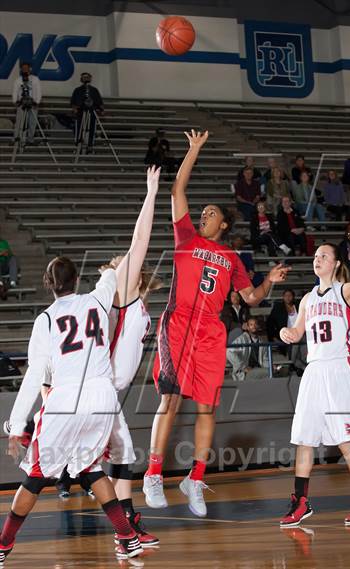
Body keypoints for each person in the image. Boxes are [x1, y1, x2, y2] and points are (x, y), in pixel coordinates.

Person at [142, 129, 289, 518]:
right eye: (202, 212)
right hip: (179, 324)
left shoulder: (233, 258)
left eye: (212, 213)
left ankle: (195, 477)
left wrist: (268, 282)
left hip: (211, 331)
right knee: (170, 400)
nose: (204, 214)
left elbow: (252, 299)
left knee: (207, 409)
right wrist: (193, 150)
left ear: (224, 225)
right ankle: (154, 473)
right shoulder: (186, 237)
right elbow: (177, 191)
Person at [0, 258, 143, 564]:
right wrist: (110, 269)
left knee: (36, 476)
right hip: (103, 397)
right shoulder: (96, 299)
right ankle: (127, 537)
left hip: (67, 398)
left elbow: (35, 375)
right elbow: (109, 280)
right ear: (77, 279)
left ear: (47, 283)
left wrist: (15, 423)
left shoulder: (46, 320)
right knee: (90, 468)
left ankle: (3, 544)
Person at [279, 234, 350, 526]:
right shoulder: (306, 299)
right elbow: (297, 333)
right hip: (314, 371)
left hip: (340, 369)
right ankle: (300, 502)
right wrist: (286, 334)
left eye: (324, 256)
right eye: (315, 256)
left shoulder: (346, 291)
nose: (318, 259)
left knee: (345, 441)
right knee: (304, 439)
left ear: (336, 263)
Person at [100, 165, 162, 547]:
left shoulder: (138, 300)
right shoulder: (120, 294)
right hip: (98, 389)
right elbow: (140, 239)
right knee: (55, 470)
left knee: (120, 459)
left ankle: (127, 528)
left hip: (107, 391)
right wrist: (151, 193)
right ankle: (127, 530)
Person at [267, 289, 306, 375]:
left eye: (290, 296)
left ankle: (301, 368)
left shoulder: (298, 306)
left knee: (302, 355)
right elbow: (270, 323)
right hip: (287, 337)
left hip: (301, 335)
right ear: (283, 297)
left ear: (293, 297)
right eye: (286, 296)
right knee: (294, 357)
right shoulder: (278, 308)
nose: (288, 298)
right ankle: (302, 369)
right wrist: (273, 337)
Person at [226, 317, 269, 381]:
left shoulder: (262, 341)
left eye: (255, 324)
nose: (253, 326)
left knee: (272, 372)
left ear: (258, 326)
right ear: (248, 328)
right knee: (268, 373)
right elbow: (229, 351)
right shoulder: (242, 339)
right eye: (251, 325)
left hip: (258, 369)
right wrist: (242, 367)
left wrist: (271, 366)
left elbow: (265, 360)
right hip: (246, 372)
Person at [71, 72, 104, 152]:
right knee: (79, 127)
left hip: (92, 111)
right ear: (81, 79)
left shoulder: (94, 90)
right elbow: (73, 102)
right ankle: (78, 142)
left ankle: (90, 144)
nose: (85, 78)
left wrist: (101, 110)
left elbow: (99, 102)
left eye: (87, 77)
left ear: (90, 78)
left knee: (92, 128)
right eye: (84, 77)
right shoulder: (77, 90)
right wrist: (75, 109)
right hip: (81, 112)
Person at [12, 62, 41, 145]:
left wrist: (37, 102)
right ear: (21, 69)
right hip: (22, 104)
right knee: (19, 122)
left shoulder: (35, 79)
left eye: (26, 68)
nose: (25, 69)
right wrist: (15, 101)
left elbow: (39, 91)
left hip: (33, 103)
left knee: (32, 123)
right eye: (23, 68)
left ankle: (30, 139)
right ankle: (16, 138)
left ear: (29, 69)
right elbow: (15, 92)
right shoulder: (18, 80)